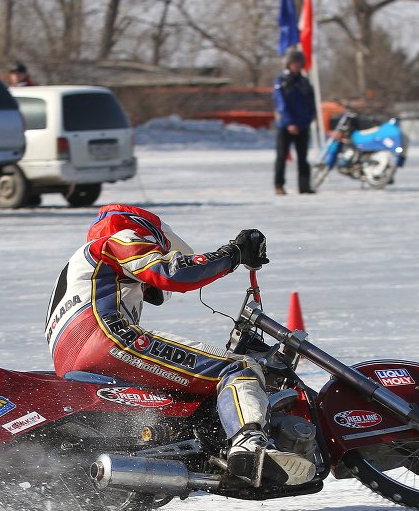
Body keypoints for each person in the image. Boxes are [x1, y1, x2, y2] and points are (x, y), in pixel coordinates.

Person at [43, 204, 317, 485]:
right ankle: (249, 446)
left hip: (73, 357)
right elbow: (171, 273)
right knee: (238, 367)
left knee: (194, 382)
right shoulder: (119, 238)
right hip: (105, 339)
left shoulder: (82, 267)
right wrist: (234, 253)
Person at [272, 49, 317, 195]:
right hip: (286, 125)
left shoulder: (304, 82)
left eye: (298, 63)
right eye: (293, 63)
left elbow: (311, 103)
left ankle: (304, 186)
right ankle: (279, 185)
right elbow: (281, 104)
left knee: (303, 158)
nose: (296, 66)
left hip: (302, 125)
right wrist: (290, 122)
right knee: (282, 156)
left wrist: (309, 118)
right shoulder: (282, 82)